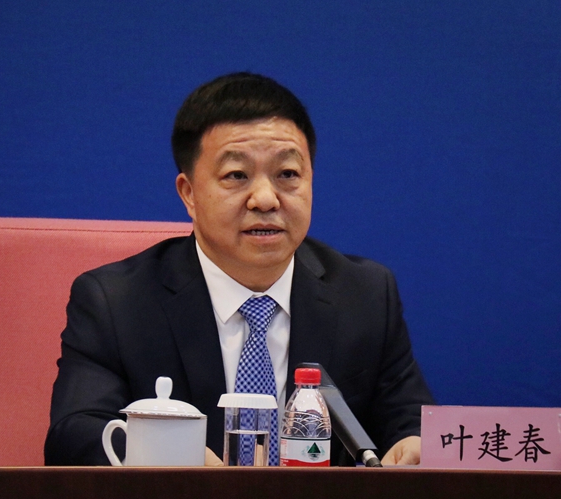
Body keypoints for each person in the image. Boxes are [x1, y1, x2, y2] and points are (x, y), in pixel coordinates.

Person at [44, 72, 434, 466]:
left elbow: (410, 420)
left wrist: (417, 445)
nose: (265, 199)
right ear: (189, 193)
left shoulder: (365, 293)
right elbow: (74, 433)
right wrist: (169, 454)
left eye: (287, 174)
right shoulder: (115, 302)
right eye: (236, 175)